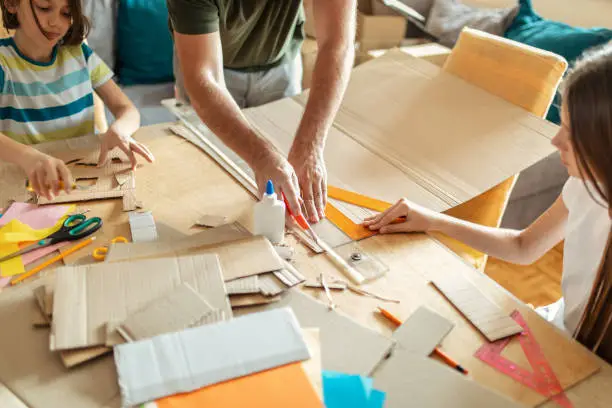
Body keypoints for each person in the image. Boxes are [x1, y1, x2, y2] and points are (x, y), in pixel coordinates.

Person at [364, 44, 612, 362]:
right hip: (562, 330)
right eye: (561, 125)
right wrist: (433, 220)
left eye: (572, 132)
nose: (555, 141)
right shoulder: (583, 184)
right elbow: (524, 246)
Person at [168, 0, 356, 224]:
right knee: (204, 181)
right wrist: (261, 156)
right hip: (210, 65)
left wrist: (310, 146)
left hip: (279, 63)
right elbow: (203, 78)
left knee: (285, 180)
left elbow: (337, 44)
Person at [0, 0, 154, 201]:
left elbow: (127, 109)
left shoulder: (80, 54)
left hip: (82, 183)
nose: (56, 22)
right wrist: (28, 157)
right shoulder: (3, 62)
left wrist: (120, 130)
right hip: (24, 187)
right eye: (44, 8)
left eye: (66, 13)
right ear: (12, 4)